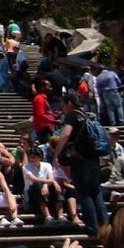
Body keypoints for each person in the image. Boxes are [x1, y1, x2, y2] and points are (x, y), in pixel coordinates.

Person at [53, 93, 108, 234]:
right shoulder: (88, 115)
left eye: (63, 105)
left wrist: (56, 154)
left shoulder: (72, 115)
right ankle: (104, 225)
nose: (63, 108)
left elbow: (65, 134)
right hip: (94, 159)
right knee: (95, 192)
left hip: (80, 159)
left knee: (84, 193)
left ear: (69, 103)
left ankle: (92, 227)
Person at [23, 147, 66, 225]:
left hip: (46, 190)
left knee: (55, 186)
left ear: (40, 157)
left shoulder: (47, 165)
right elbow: (34, 179)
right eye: (30, 157)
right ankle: (48, 216)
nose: (32, 159)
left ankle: (60, 216)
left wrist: (46, 184)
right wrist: (50, 182)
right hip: (31, 191)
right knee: (37, 185)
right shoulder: (26, 167)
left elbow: (51, 177)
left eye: (34, 157)